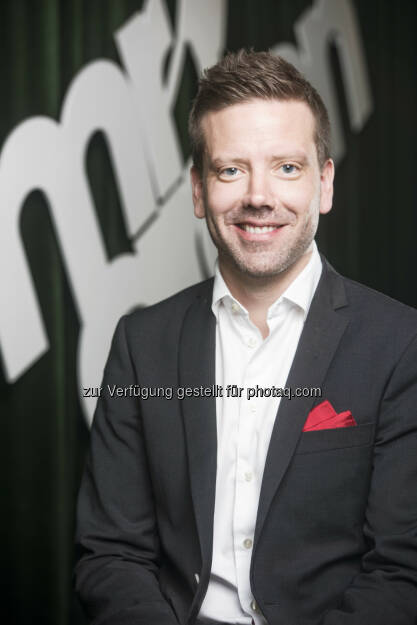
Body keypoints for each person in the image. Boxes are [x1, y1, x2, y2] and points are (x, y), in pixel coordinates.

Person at [74, 50, 417, 625]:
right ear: (198, 189)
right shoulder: (141, 344)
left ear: (325, 184)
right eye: (231, 170)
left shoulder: (401, 345)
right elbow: (111, 554)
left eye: (287, 167)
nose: (259, 196)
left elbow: (402, 572)